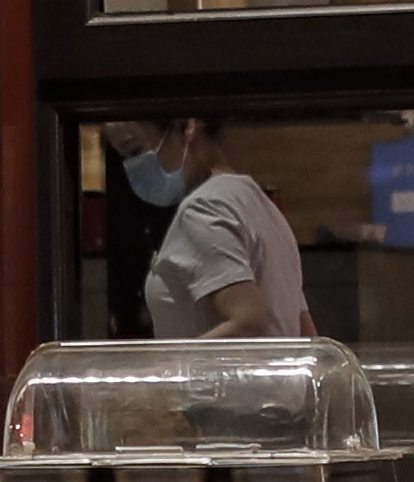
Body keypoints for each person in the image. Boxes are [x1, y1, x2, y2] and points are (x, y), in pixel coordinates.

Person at [125, 113, 305, 338]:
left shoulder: (203, 208)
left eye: (135, 150)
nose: (132, 168)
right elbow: (305, 333)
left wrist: (169, 369)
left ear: (187, 128)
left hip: (219, 374)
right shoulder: (261, 204)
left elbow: (249, 324)